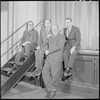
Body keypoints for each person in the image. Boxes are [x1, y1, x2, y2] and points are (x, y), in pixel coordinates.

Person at [42, 25, 65, 98]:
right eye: (53, 29)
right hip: (49, 58)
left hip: (56, 58)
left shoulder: (62, 36)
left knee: (55, 75)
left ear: (58, 29)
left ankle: (52, 90)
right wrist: (45, 49)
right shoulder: (50, 37)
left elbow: (59, 46)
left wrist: (49, 51)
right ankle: (52, 89)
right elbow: (45, 44)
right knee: (44, 72)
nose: (54, 30)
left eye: (56, 28)